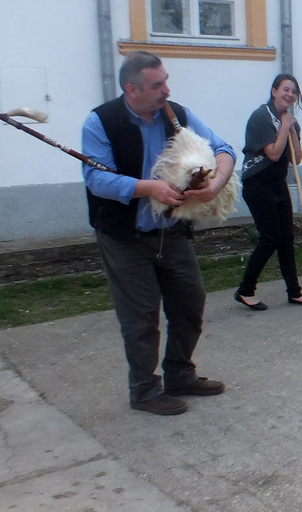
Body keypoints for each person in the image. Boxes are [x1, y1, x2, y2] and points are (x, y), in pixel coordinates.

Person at [81, 51, 234, 415]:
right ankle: (145, 390)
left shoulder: (177, 114)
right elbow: (96, 178)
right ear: (131, 89)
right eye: (157, 85)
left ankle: (180, 375)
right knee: (141, 317)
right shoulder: (101, 121)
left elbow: (224, 149)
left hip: (172, 233)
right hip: (124, 237)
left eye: (166, 81)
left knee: (190, 304)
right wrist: (149, 188)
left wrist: (215, 186)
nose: (167, 90)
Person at [234, 74, 302, 310]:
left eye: (294, 92)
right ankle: (245, 290)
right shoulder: (261, 117)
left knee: (286, 240)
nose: (290, 95)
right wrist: (284, 127)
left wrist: (291, 129)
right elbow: (272, 153)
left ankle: (295, 292)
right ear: (274, 91)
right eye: (286, 89)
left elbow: (296, 159)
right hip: (257, 184)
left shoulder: (290, 122)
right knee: (270, 238)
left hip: (278, 184)